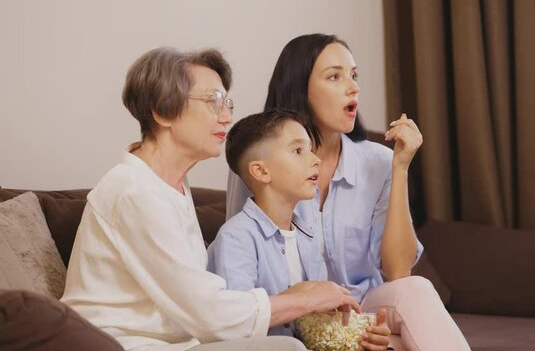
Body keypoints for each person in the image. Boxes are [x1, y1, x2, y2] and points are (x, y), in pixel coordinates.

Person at [61, 47, 360, 351]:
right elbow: (210, 313)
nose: (227, 116)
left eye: (226, 103)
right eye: (213, 101)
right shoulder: (132, 191)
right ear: (163, 111)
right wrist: (305, 300)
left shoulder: (170, 185)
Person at [226, 34, 471, 350]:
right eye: (334, 76)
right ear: (301, 88)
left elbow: (398, 272)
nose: (353, 87)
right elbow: (244, 257)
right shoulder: (260, 163)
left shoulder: (378, 162)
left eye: (354, 75)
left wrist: (399, 168)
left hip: (362, 306)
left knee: (416, 290)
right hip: (294, 316)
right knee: (398, 342)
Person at [209, 109, 391, 350]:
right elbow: (238, 324)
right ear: (261, 171)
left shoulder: (308, 237)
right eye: (298, 151)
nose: (315, 159)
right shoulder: (236, 239)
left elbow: (312, 324)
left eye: (311, 149)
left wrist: (359, 334)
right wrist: (302, 294)